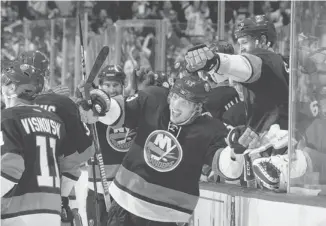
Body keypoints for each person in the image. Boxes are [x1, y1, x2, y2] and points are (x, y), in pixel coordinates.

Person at [95, 70, 228, 225]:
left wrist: (234, 153)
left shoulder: (211, 129)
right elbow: (119, 111)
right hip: (126, 203)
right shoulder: (154, 100)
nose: (176, 106)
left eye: (185, 102)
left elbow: (225, 166)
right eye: (175, 97)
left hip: (168, 215)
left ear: (197, 108)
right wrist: (100, 107)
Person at [0, 60, 89, 226]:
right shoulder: (54, 120)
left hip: (16, 213)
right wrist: (62, 197)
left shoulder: (7, 118)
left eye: (4, 82)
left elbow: (11, 167)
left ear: (12, 88)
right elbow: (72, 164)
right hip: (52, 213)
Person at [185, 15, 289, 154]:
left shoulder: (264, 60)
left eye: (244, 42)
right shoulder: (282, 61)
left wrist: (215, 61)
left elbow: (247, 65)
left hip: (282, 144)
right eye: (239, 44)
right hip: (283, 137)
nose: (241, 49)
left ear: (263, 40)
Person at [85, 65, 137, 226]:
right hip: (98, 187)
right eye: (107, 85)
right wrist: (84, 101)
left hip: (126, 188)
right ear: (100, 86)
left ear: (123, 86)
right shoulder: (93, 108)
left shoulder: (131, 107)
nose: (111, 89)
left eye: (115, 85)